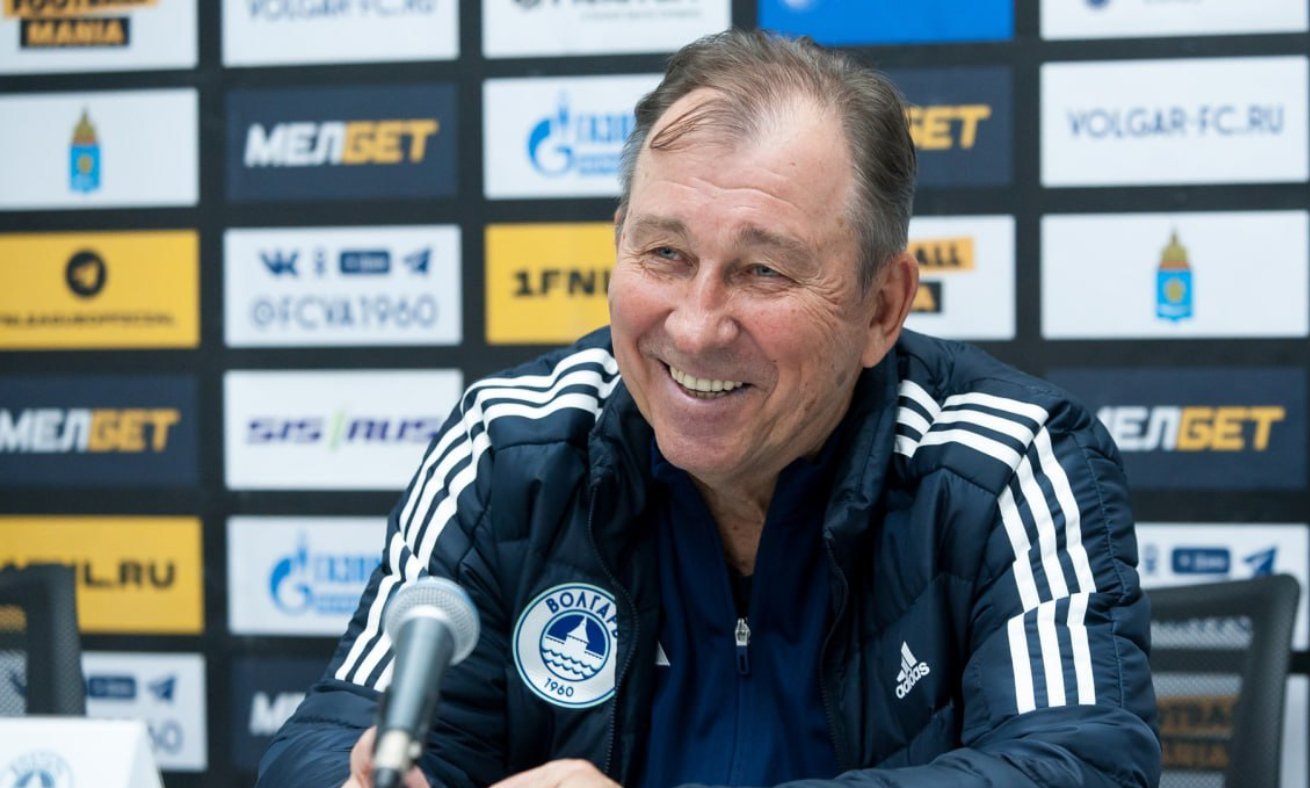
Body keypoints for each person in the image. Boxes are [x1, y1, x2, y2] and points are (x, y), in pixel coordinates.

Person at [259, 29, 1160, 788]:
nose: (695, 328)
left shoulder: (1008, 461)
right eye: (664, 254)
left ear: (881, 307)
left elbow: (1082, 765)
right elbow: (336, 736)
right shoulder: (509, 447)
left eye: (763, 270)